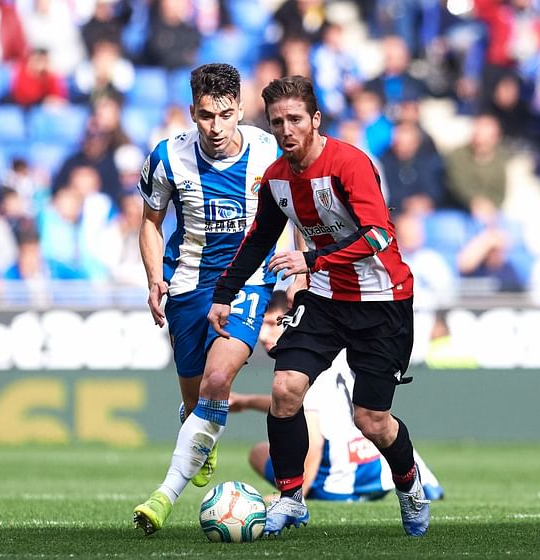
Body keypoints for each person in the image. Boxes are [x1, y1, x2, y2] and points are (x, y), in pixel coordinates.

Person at [207, 75, 430, 537]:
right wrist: (223, 293)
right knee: (286, 388)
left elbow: (379, 235)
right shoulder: (276, 179)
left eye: (294, 119)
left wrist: (310, 258)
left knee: (372, 421)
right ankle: (291, 498)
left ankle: (409, 486)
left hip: (381, 301)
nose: (286, 130)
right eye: (276, 122)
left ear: (315, 120)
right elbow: (257, 242)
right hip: (325, 299)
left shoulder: (349, 163)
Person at [131, 63, 280, 536]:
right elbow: (151, 223)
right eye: (204, 116)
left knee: (219, 377)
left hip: (248, 281)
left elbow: (290, 212)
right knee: (197, 397)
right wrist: (155, 276)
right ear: (191, 112)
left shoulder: (267, 150)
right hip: (188, 284)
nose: (215, 127)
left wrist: (295, 271)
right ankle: (202, 433)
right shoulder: (167, 159)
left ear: (240, 109)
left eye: (225, 114)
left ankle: (163, 496)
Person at [230, 292, 445, 503]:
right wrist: (245, 402)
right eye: (262, 325)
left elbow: (313, 438)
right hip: (374, 468)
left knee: (260, 453)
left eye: (272, 323)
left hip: (344, 473)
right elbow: (296, 406)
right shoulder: (332, 351)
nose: (263, 335)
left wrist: (296, 495)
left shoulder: (304, 363)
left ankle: (302, 494)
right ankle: (418, 483)